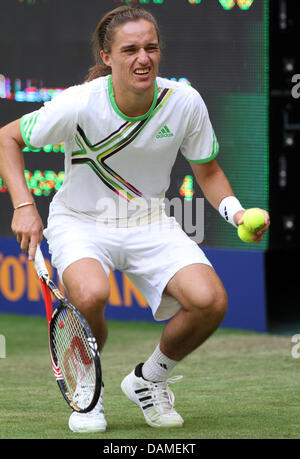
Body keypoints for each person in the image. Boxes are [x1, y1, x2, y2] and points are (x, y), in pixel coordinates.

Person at [0, 5, 270, 433]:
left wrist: (234, 211)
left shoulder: (184, 102)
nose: (142, 58)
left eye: (151, 47)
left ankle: (149, 380)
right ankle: (88, 388)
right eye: (129, 50)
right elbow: (7, 137)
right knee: (89, 295)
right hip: (81, 222)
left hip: (150, 221)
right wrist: (24, 206)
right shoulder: (78, 103)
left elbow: (209, 170)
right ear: (107, 57)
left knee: (210, 301)